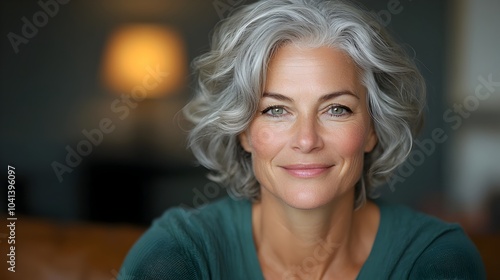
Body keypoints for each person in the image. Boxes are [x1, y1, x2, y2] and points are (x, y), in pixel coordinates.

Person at [119, 0, 486, 279]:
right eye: (276, 110)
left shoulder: (437, 260)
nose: (307, 140)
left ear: (373, 129)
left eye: (336, 109)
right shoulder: (177, 257)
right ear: (244, 131)